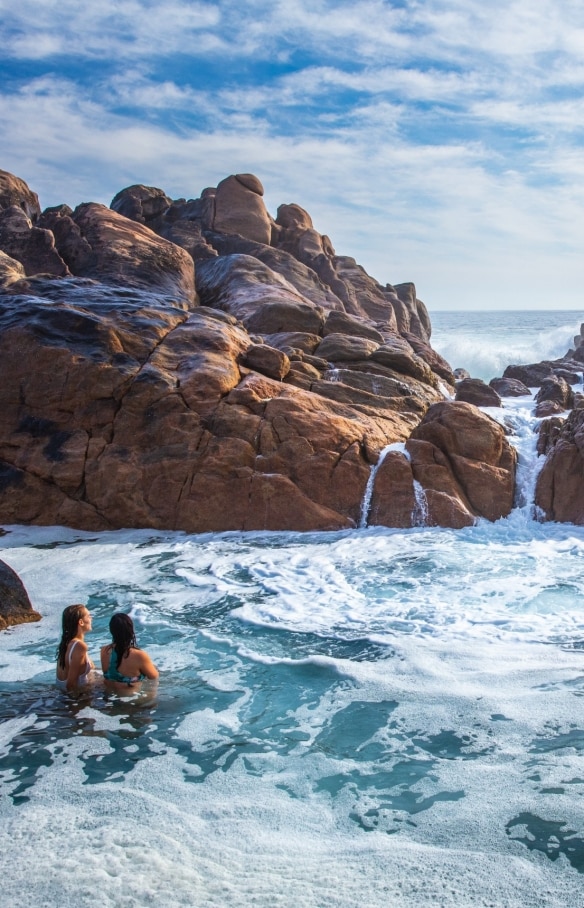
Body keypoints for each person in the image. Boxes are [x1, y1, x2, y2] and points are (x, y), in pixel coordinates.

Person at [101, 612, 159, 689]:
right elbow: (153, 676)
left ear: (111, 630)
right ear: (131, 630)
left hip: (107, 695)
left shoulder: (104, 651)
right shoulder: (139, 655)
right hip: (130, 698)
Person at [55, 604, 95, 692]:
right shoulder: (79, 646)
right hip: (80, 699)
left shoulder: (66, 643)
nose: (91, 619)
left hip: (65, 696)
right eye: (88, 616)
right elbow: (71, 685)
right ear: (81, 622)